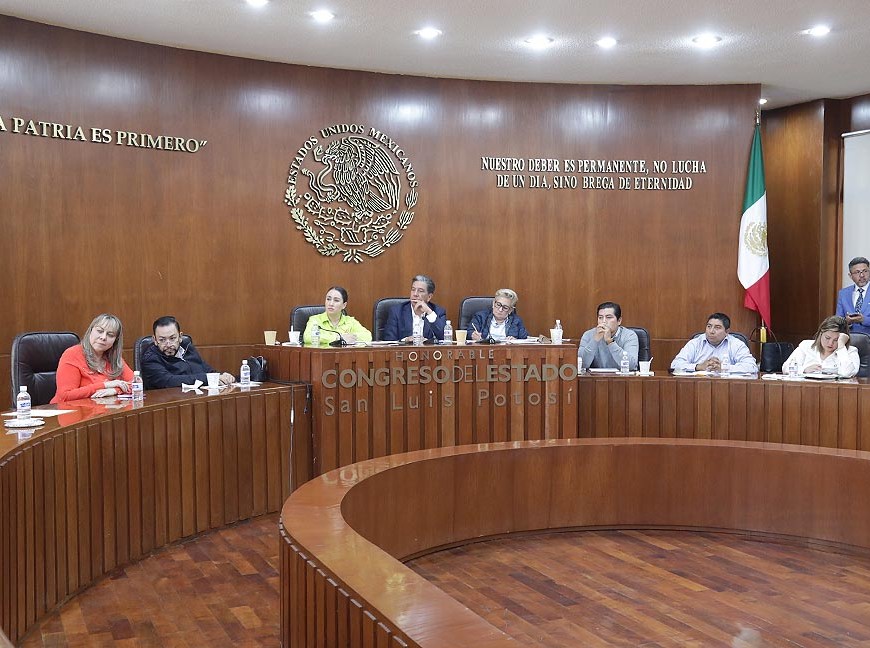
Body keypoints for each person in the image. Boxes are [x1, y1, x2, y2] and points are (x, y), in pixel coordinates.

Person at [52, 313, 134, 402]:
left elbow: (136, 384)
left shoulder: (114, 359)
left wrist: (115, 390)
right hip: (67, 409)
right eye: (99, 331)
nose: (103, 337)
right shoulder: (72, 354)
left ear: (115, 340)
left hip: (101, 409)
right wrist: (105, 385)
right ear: (90, 331)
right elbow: (65, 396)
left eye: (110, 335)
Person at [140, 315, 236, 388]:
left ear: (180, 337)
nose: (168, 344)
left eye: (172, 338)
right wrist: (209, 378)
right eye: (162, 340)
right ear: (155, 340)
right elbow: (168, 381)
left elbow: (207, 370)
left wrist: (221, 377)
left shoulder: (187, 348)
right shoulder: (150, 358)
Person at [670, 312, 757, 374]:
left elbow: (752, 367)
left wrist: (724, 368)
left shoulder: (736, 344)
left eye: (717, 327)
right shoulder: (695, 343)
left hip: (728, 387)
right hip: (698, 386)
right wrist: (699, 367)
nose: (711, 331)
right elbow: (675, 365)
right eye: (709, 326)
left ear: (727, 332)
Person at [782, 315, 859, 377]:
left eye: (836, 340)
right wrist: (804, 370)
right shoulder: (806, 346)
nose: (830, 343)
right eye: (827, 338)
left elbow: (847, 373)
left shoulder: (850, 352)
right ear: (820, 334)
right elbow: (786, 368)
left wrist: (841, 346)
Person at [383, 274, 447, 342]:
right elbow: (389, 341)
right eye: (413, 290)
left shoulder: (438, 312)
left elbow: (445, 338)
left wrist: (429, 312)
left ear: (429, 297)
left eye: (420, 291)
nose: (415, 294)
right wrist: (405, 340)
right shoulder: (397, 311)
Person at [577, 301, 639, 370]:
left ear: (619, 321)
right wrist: (594, 340)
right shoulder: (588, 335)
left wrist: (610, 342)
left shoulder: (629, 335)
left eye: (608, 317)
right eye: (600, 317)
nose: (604, 321)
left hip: (622, 376)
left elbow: (631, 365)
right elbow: (581, 365)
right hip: (596, 376)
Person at [303, 286, 372, 346]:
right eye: (328, 299)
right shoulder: (315, 320)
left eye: (336, 300)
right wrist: (338, 338)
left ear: (344, 305)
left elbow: (367, 336)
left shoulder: (350, 322)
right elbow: (307, 337)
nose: (331, 303)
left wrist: (350, 337)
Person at [835, 256, 870, 336]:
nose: (862, 275)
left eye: (865, 271)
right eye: (857, 272)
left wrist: (863, 320)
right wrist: (847, 322)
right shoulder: (843, 293)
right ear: (850, 276)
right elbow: (838, 320)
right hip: (849, 338)